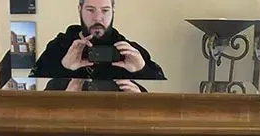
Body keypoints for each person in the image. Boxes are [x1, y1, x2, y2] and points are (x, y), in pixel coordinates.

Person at [29, 0, 165, 92]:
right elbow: (33, 93)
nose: (98, 18)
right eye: (90, 10)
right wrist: (64, 67)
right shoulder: (58, 47)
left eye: (105, 11)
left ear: (113, 11)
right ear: (79, 9)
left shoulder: (129, 51)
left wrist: (142, 70)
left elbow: (165, 92)